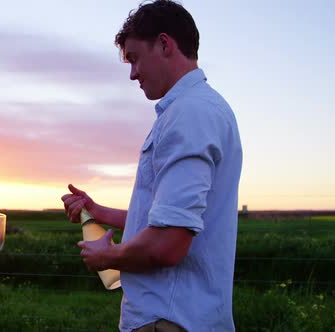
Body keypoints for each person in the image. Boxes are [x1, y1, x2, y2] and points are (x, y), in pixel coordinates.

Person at [61, 1, 242, 331]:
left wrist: (107, 256)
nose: (132, 73)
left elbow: (168, 242)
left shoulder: (189, 115)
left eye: (134, 58)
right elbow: (166, 219)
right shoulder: (199, 109)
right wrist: (96, 210)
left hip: (168, 321)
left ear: (164, 44)